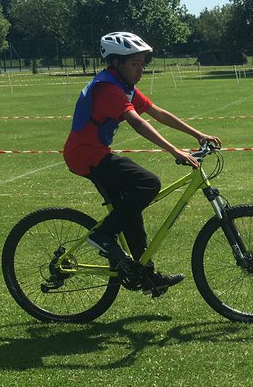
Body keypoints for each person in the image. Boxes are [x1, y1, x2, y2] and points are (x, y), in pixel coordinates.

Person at [63, 31, 220, 296]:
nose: (141, 70)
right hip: (85, 155)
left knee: (131, 211)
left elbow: (157, 112)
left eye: (142, 64)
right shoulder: (108, 89)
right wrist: (174, 150)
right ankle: (102, 236)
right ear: (116, 63)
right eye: (135, 64)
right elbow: (138, 122)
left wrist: (197, 134)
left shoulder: (123, 86)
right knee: (148, 183)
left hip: (95, 152)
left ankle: (145, 276)